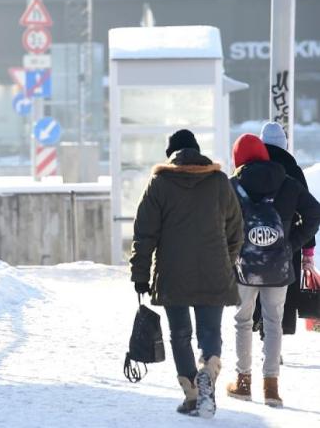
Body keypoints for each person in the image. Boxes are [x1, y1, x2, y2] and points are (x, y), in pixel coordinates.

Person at [130, 129, 243, 418]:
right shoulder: (219, 181)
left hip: (173, 274)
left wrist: (140, 275)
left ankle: (193, 395)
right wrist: (226, 261)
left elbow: (144, 234)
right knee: (209, 332)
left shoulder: (160, 183)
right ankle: (208, 369)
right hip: (214, 272)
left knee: (180, 334)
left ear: (171, 156)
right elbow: (235, 229)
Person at [225, 134, 320, 408]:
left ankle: (243, 383)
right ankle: (271, 387)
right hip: (279, 266)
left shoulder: (233, 186)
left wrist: (234, 249)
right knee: (273, 322)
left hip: (246, 267)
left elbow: (219, 223)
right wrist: (291, 244)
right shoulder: (288, 184)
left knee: (243, 321)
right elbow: (314, 214)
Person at [254, 122, 316, 338]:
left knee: (258, 289)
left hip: (255, 242)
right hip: (287, 244)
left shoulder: (250, 168)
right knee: (281, 295)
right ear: (284, 144)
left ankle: (263, 331)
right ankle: (274, 339)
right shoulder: (294, 170)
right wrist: (307, 248)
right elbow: (308, 212)